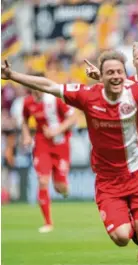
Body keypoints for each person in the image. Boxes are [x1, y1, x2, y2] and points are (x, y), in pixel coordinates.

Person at [1, 48, 138, 265]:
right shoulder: (87, 96)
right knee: (122, 237)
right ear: (101, 77)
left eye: (119, 72)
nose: (115, 76)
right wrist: (13, 76)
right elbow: (49, 86)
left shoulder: (136, 92)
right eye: (110, 72)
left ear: (125, 74)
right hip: (109, 183)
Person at [85, 41, 138, 260]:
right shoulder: (127, 84)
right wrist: (100, 77)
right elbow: (109, 91)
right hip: (136, 153)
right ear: (133, 61)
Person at [22, 73, 77, 233]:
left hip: (61, 144)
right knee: (43, 180)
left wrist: (57, 130)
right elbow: (24, 120)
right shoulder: (28, 102)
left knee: (60, 187)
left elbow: (72, 118)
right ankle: (48, 223)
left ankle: (65, 188)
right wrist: (26, 135)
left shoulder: (54, 99)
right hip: (41, 144)